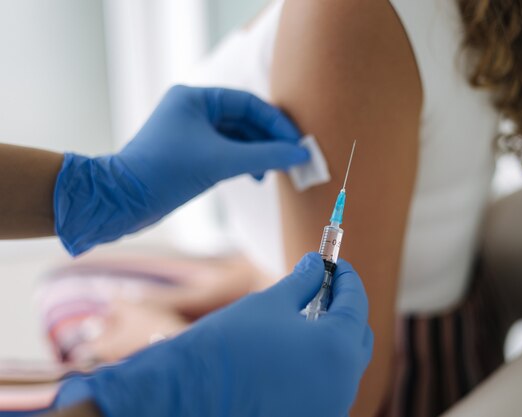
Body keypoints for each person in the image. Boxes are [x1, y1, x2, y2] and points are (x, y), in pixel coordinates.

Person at [114, 1, 522, 416]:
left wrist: (159, 344)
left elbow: (334, 389)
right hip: (434, 344)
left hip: (378, 386)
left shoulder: (346, 18)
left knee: (77, 310)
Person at [0, 85, 373, 417]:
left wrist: (98, 189)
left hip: (75, 376)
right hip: (101, 385)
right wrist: (173, 375)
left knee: (62, 288)